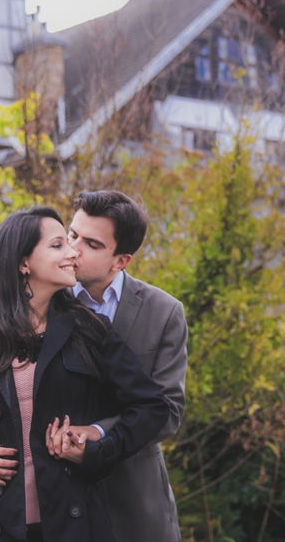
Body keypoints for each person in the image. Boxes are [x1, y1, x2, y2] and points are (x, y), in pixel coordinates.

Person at [0, 207, 170, 542]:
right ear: (23, 263)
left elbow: (152, 408)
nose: (73, 252)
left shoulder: (90, 331)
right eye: (58, 245)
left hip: (74, 527)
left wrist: (97, 449)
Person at [54, 190, 187, 542]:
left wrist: (97, 431)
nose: (73, 249)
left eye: (92, 244)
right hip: (56, 494)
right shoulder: (42, 301)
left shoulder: (164, 312)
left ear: (121, 260)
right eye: (72, 234)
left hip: (135, 500)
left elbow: (169, 411)